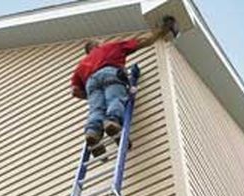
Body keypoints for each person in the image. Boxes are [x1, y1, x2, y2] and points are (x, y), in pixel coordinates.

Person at [71, 24, 173, 156]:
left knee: (96, 110)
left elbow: (75, 91)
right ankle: (112, 121)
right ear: (97, 45)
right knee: (115, 98)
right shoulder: (110, 47)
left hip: (90, 82)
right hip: (109, 73)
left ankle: (93, 132)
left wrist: (90, 96)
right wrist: (161, 31)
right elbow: (142, 42)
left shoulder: (82, 65)